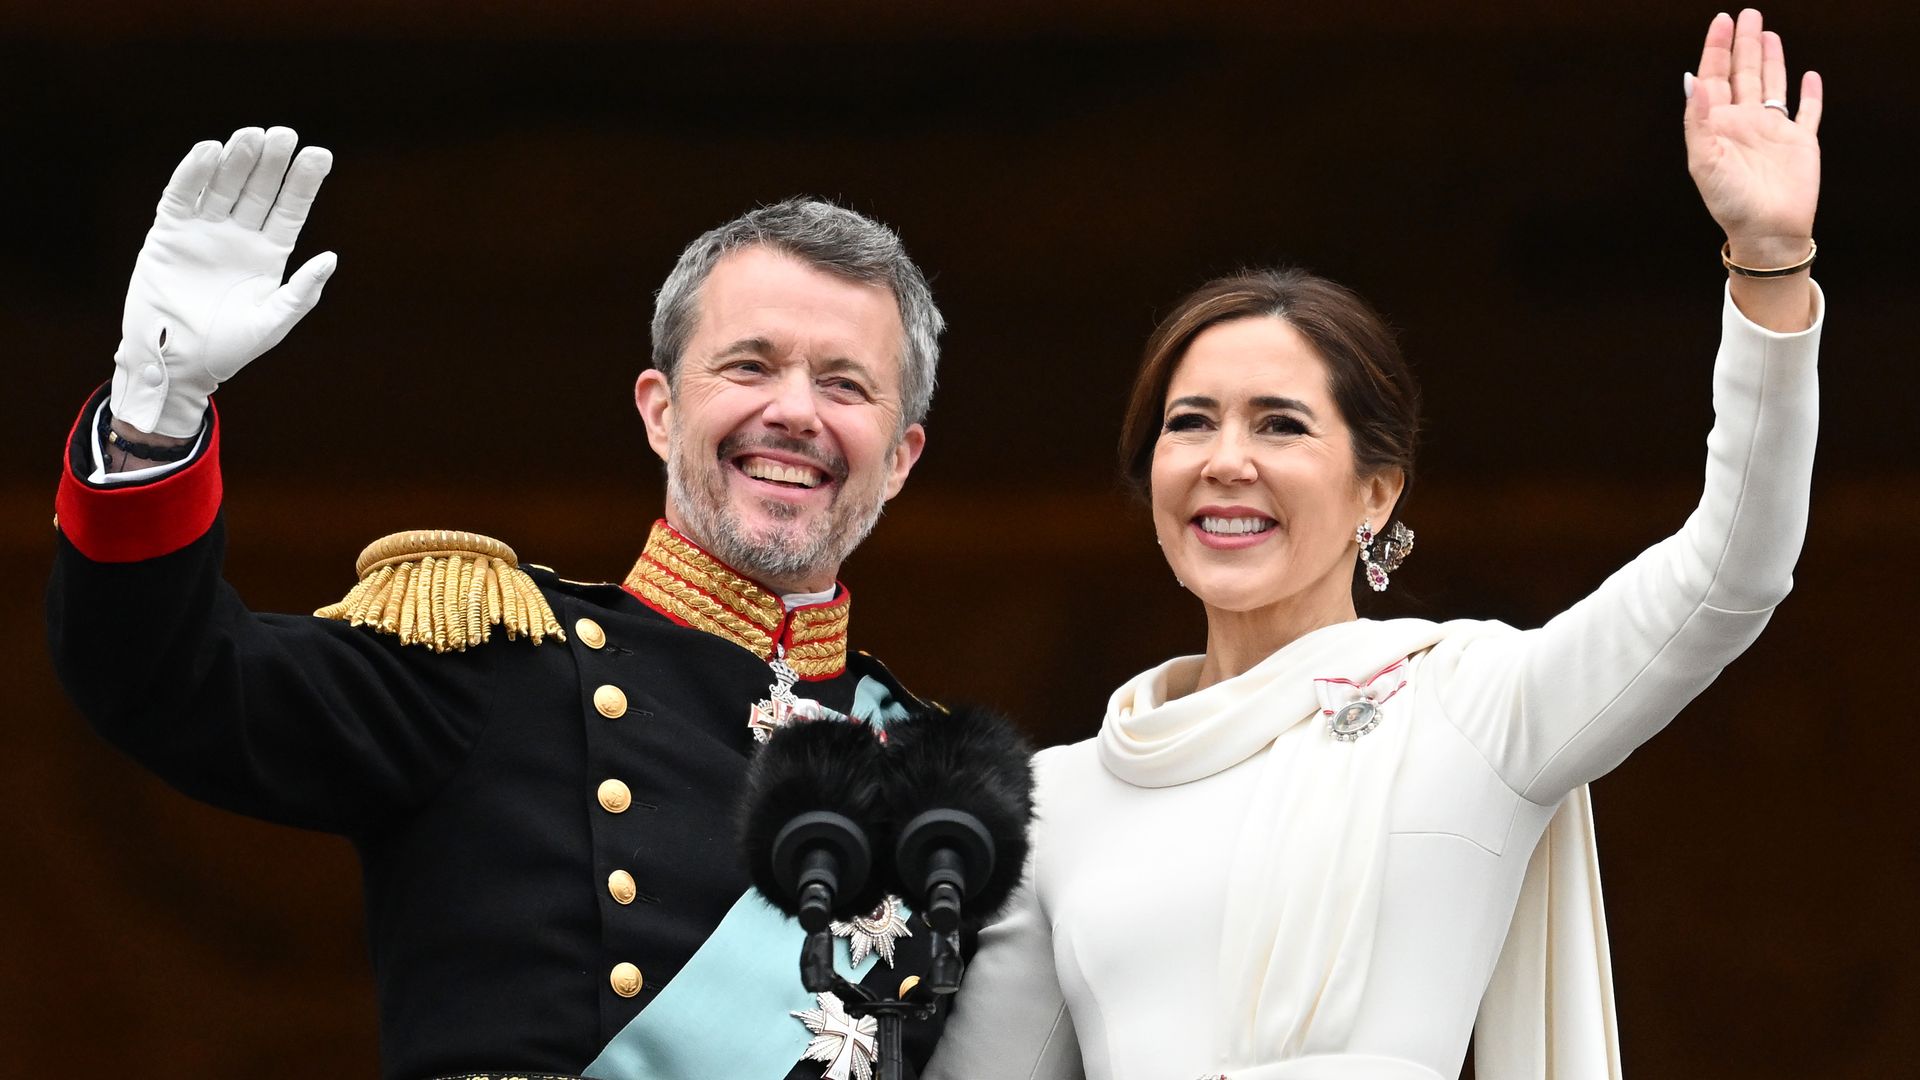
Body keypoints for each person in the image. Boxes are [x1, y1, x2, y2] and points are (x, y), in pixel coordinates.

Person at [923, 10, 1822, 1080]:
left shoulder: (1476, 703)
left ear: (1376, 491)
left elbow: (1732, 572)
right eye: (1189, 422)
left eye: (1281, 424)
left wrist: (1769, 268)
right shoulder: (1055, 802)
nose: (1226, 460)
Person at [48, 127, 952, 1079]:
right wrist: (156, 413)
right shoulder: (491, 658)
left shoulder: (947, 796)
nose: (797, 413)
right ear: (660, 409)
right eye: (750, 366)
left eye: (844, 384)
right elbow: (163, 675)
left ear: (899, 459)